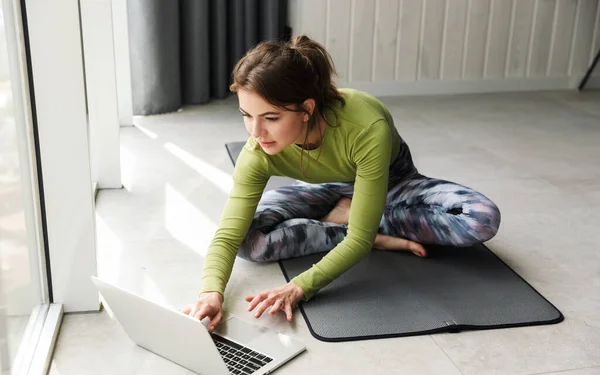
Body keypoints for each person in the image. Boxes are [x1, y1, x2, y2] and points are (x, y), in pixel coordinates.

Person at [181, 35, 501, 332]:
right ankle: (367, 229)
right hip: (325, 191)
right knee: (250, 242)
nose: (255, 132)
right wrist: (211, 293)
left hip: (394, 186)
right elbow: (228, 233)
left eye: (271, 118)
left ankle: (368, 220)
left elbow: (355, 242)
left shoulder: (365, 126)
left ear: (306, 109)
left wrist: (300, 286)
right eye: (247, 115)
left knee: (480, 218)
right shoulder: (258, 150)